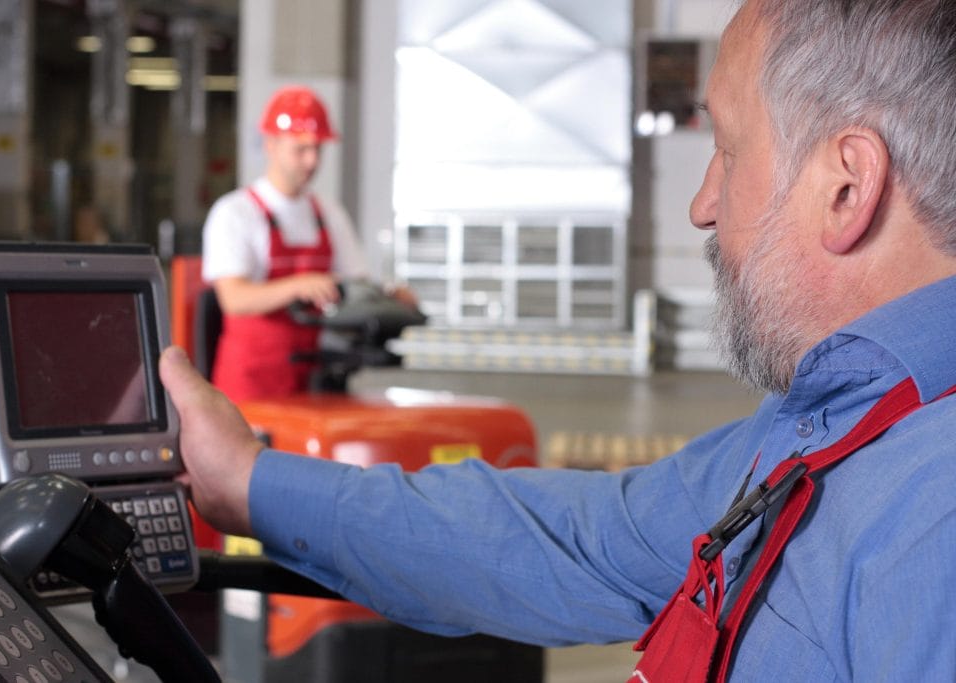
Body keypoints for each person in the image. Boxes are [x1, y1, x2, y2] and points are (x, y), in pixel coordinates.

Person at [161, 0, 956, 679]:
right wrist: (250, 480)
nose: (703, 205)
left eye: (727, 150)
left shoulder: (932, 525)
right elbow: (578, 538)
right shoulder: (824, 427)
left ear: (847, 187)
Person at [201, 85, 370, 401]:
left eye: (318, 149)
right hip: (250, 389)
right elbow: (234, 298)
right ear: (271, 144)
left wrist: (386, 296)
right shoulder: (236, 213)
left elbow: (355, 285)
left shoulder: (329, 213)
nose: (312, 161)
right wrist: (300, 285)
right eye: (301, 149)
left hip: (314, 384)